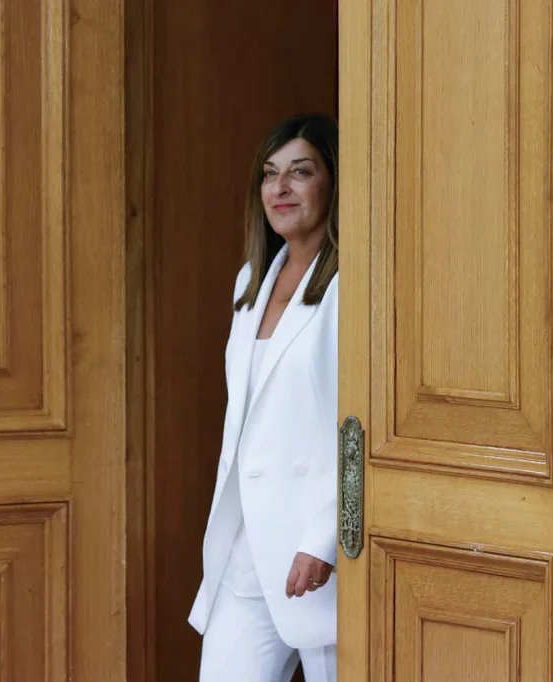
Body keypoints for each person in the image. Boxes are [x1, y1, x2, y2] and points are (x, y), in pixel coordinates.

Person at [188, 113, 339, 682]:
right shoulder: (250, 281)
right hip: (249, 544)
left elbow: (359, 425)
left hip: (322, 552)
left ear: (333, 183)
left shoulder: (350, 288)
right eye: (271, 174)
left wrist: (324, 537)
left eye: (301, 172)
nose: (281, 188)